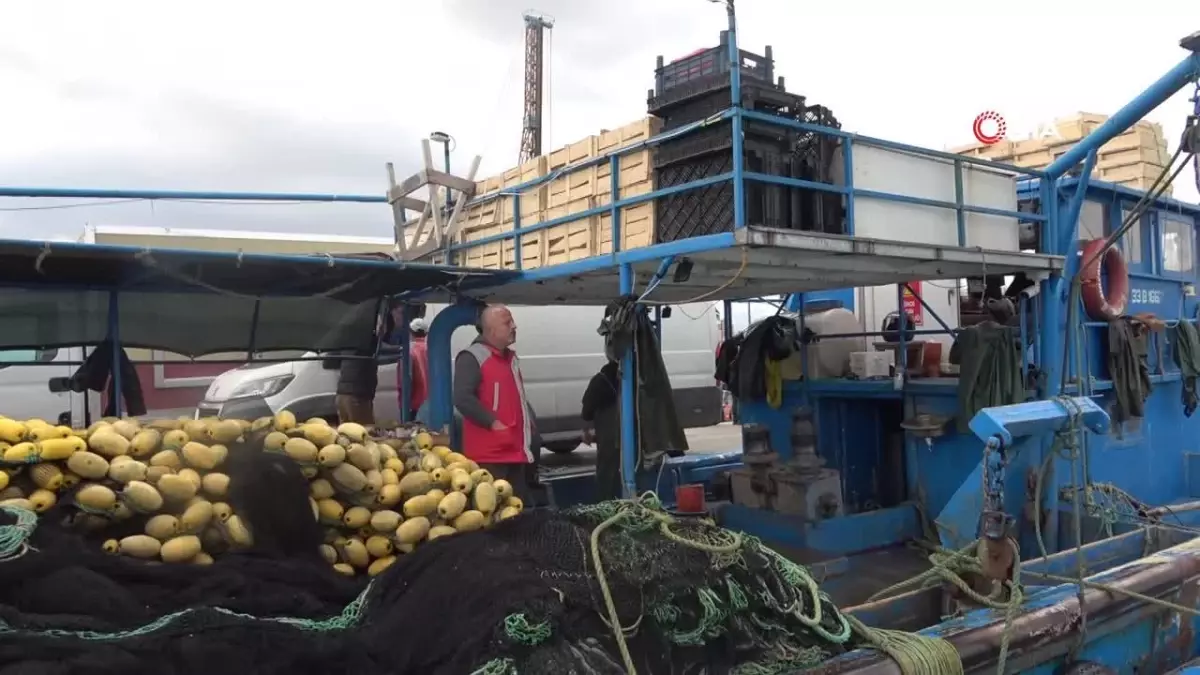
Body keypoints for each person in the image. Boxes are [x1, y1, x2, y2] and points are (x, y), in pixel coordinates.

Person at [453, 304, 541, 502]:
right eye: (507, 323)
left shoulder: (509, 358)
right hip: (490, 457)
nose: (514, 326)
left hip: (514, 452)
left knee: (516, 510)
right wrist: (493, 423)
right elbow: (462, 398)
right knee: (493, 512)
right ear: (491, 329)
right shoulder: (472, 357)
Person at [335, 310, 396, 425]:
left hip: (341, 395)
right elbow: (386, 349)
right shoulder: (368, 339)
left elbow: (329, 362)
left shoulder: (347, 339)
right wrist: (404, 349)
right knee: (366, 432)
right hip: (357, 397)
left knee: (346, 433)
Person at [581, 357, 622, 501]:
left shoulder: (600, 379)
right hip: (629, 431)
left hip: (608, 434)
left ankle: (605, 501)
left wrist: (586, 430)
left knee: (606, 469)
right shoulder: (636, 378)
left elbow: (587, 407)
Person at [399, 318, 430, 421]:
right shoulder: (433, 349)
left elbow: (405, 381)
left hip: (413, 405)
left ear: (410, 332)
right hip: (431, 404)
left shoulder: (409, 352)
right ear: (426, 333)